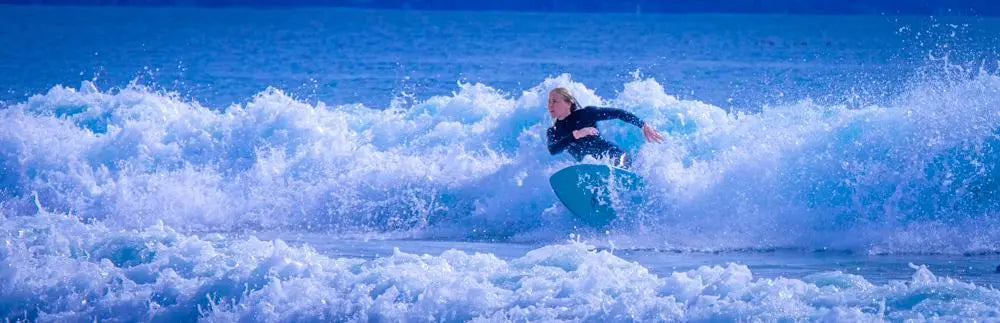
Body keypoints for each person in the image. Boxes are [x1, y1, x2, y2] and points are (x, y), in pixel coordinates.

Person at [546, 87, 664, 168]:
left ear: (569, 103)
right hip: (590, 166)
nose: (550, 105)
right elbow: (553, 149)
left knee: (619, 161)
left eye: (555, 101)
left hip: (612, 155)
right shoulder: (553, 131)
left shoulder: (586, 114)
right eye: (549, 102)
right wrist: (576, 134)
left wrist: (643, 125)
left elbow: (618, 113)